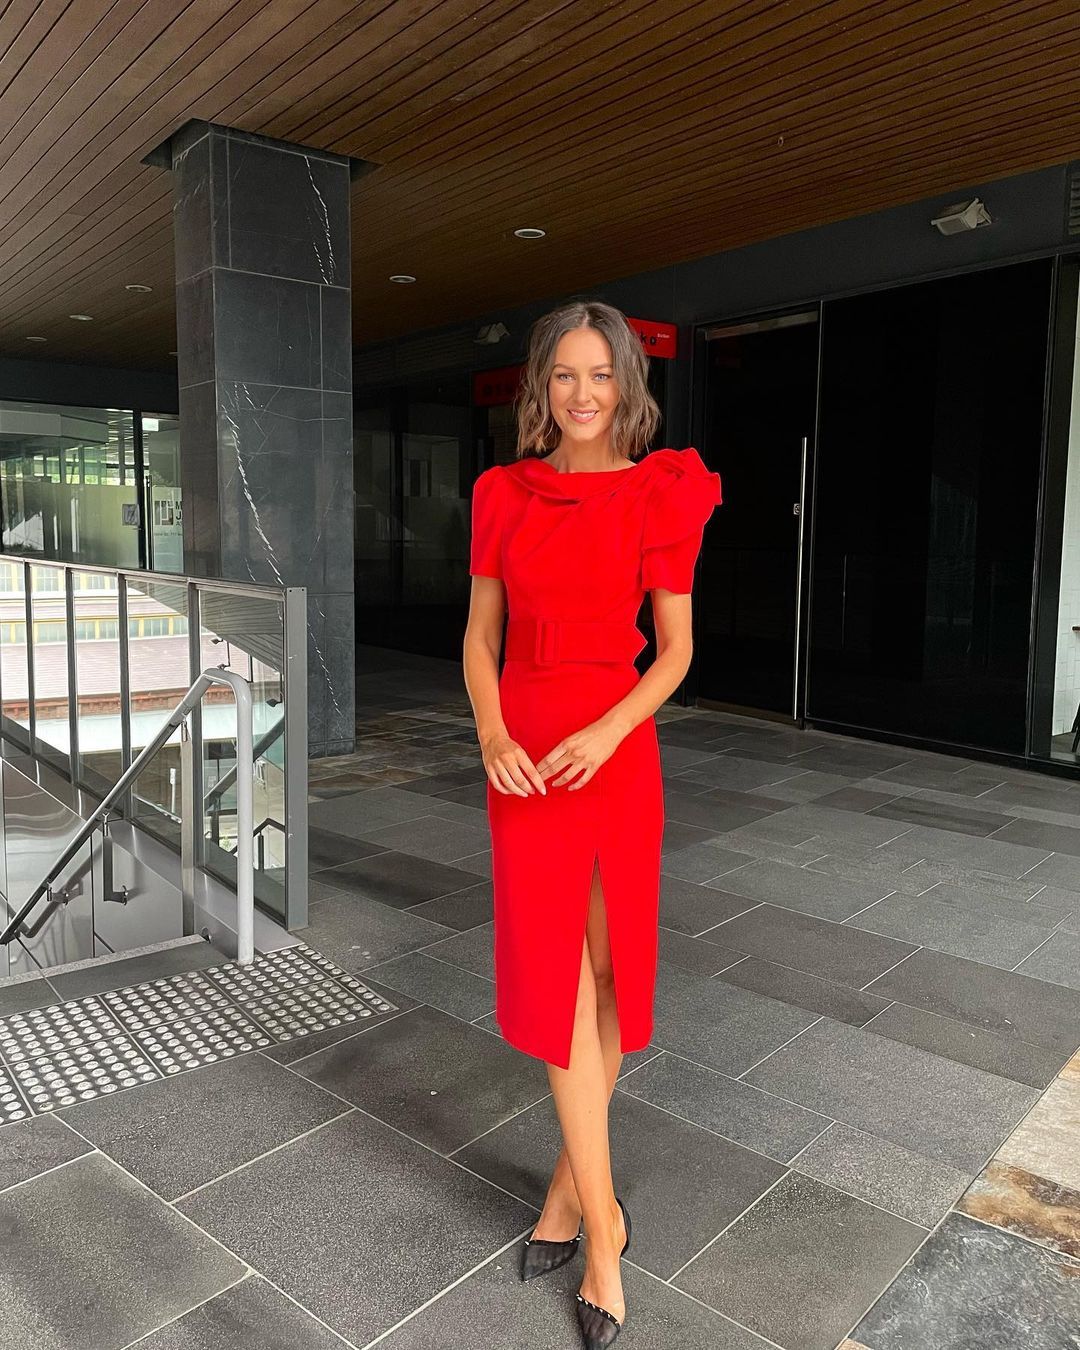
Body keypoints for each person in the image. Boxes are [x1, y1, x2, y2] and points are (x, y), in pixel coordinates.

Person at [462, 299, 723, 1348]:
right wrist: (491, 731)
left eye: (599, 374)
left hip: (613, 751)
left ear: (626, 384)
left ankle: (571, 1193)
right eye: (563, 374)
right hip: (525, 762)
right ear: (541, 385)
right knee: (560, 980)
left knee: (610, 978)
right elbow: (479, 638)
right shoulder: (501, 493)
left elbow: (676, 651)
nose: (581, 393)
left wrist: (611, 731)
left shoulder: (663, 491)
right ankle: (606, 1240)